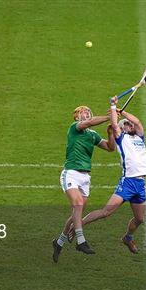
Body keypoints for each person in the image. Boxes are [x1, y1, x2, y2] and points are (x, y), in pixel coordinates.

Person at [52, 99, 118, 263]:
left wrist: (110, 133)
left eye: (88, 111)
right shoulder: (75, 128)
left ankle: (59, 242)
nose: (87, 113)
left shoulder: (92, 134)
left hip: (85, 178)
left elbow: (110, 148)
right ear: (77, 117)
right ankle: (81, 241)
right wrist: (110, 117)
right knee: (78, 205)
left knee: (77, 212)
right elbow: (88, 123)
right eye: (83, 112)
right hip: (71, 173)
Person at [78, 106, 146, 254]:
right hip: (128, 183)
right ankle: (79, 225)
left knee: (140, 219)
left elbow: (138, 122)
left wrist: (122, 112)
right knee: (106, 212)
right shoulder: (121, 138)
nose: (130, 125)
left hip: (140, 184)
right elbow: (115, 126)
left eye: (130, 124)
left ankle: (128, 238)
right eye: (127, 124)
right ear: (122, 129)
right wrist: (113, 106)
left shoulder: (139, 137)